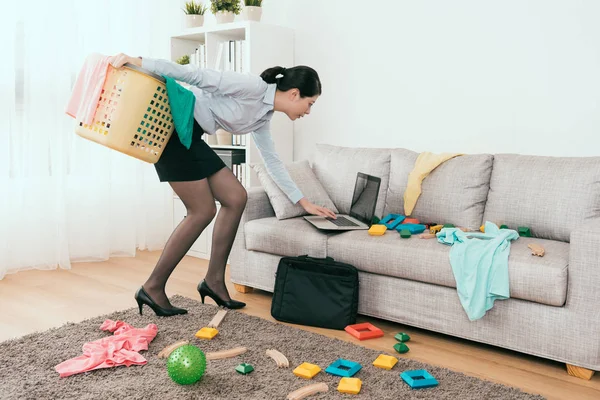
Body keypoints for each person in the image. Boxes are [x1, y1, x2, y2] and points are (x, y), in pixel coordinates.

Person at [109, 53, 336, 316]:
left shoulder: (263, 117)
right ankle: (153, 287)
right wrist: (140, 61)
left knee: (236, 197)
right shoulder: (253, 87)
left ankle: (214, 282)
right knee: (202, 211)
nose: (308, 111)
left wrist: (303, 201)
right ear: (294, 94)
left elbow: (272, 162)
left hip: (191, 136)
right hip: (173, 128)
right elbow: (196, 75)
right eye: (310, 104)